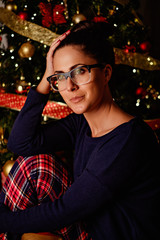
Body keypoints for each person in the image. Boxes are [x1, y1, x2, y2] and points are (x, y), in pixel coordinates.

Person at [0, 20, 160, 240]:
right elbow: (20, 144)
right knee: (33, 164)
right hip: (88, 228)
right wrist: (47, 78)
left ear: (106, 73)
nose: (69, 86)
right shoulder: (81, 123)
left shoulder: (128, 139)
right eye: (60, 77)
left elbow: (65, 210)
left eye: (80, 71)